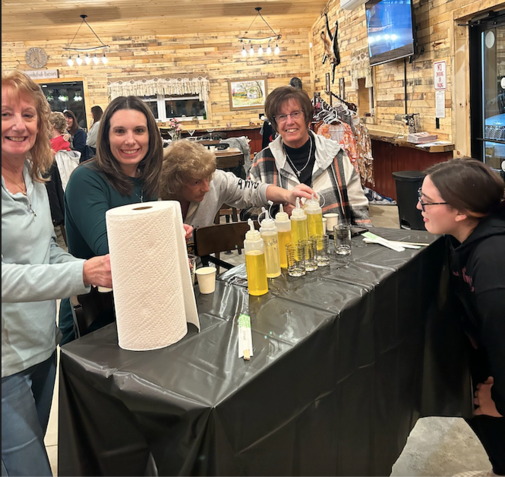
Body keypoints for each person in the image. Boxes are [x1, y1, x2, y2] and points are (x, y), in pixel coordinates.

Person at [2, 71, 112, 476]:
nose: (18, 124)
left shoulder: (34, 179)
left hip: (42, 346)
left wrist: (96, 271)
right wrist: (82, 273)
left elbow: (46, 250)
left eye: (28, 114)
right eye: (5, 113)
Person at [60, 96, 192, 345]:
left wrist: (171, 231)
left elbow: (146, 237)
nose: (130, 140)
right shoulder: (85, 180)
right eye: (120, 131)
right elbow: (110, 249)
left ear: (151, 136)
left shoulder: (146, 178)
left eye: (139, 131)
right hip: (95, 320)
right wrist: (166, 243)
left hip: (145, 306)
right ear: (106, 136)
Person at [418, 158, 505, 477]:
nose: (418, 206)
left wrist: (498, 401)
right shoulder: (463, 239)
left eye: (426, 202)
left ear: (461, 211)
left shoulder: (493, 261)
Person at [249, 86, 371, 226]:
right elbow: (249, 210)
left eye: (295, 113)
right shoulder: (262, 163)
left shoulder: (335, 156)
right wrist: (278, 211)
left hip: (336, 245)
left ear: (307, 118)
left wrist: (363, 243)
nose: (289, 121)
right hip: (284, 245)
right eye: (282, 116)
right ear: (275, 124)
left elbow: (360, 211)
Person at [159, 139, 315, 228]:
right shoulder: (154, 198)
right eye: (196, 182)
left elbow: (254, 191)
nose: (206, 187)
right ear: (176, 184)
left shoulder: (217, 180)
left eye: (208, 178)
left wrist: (288, 195)